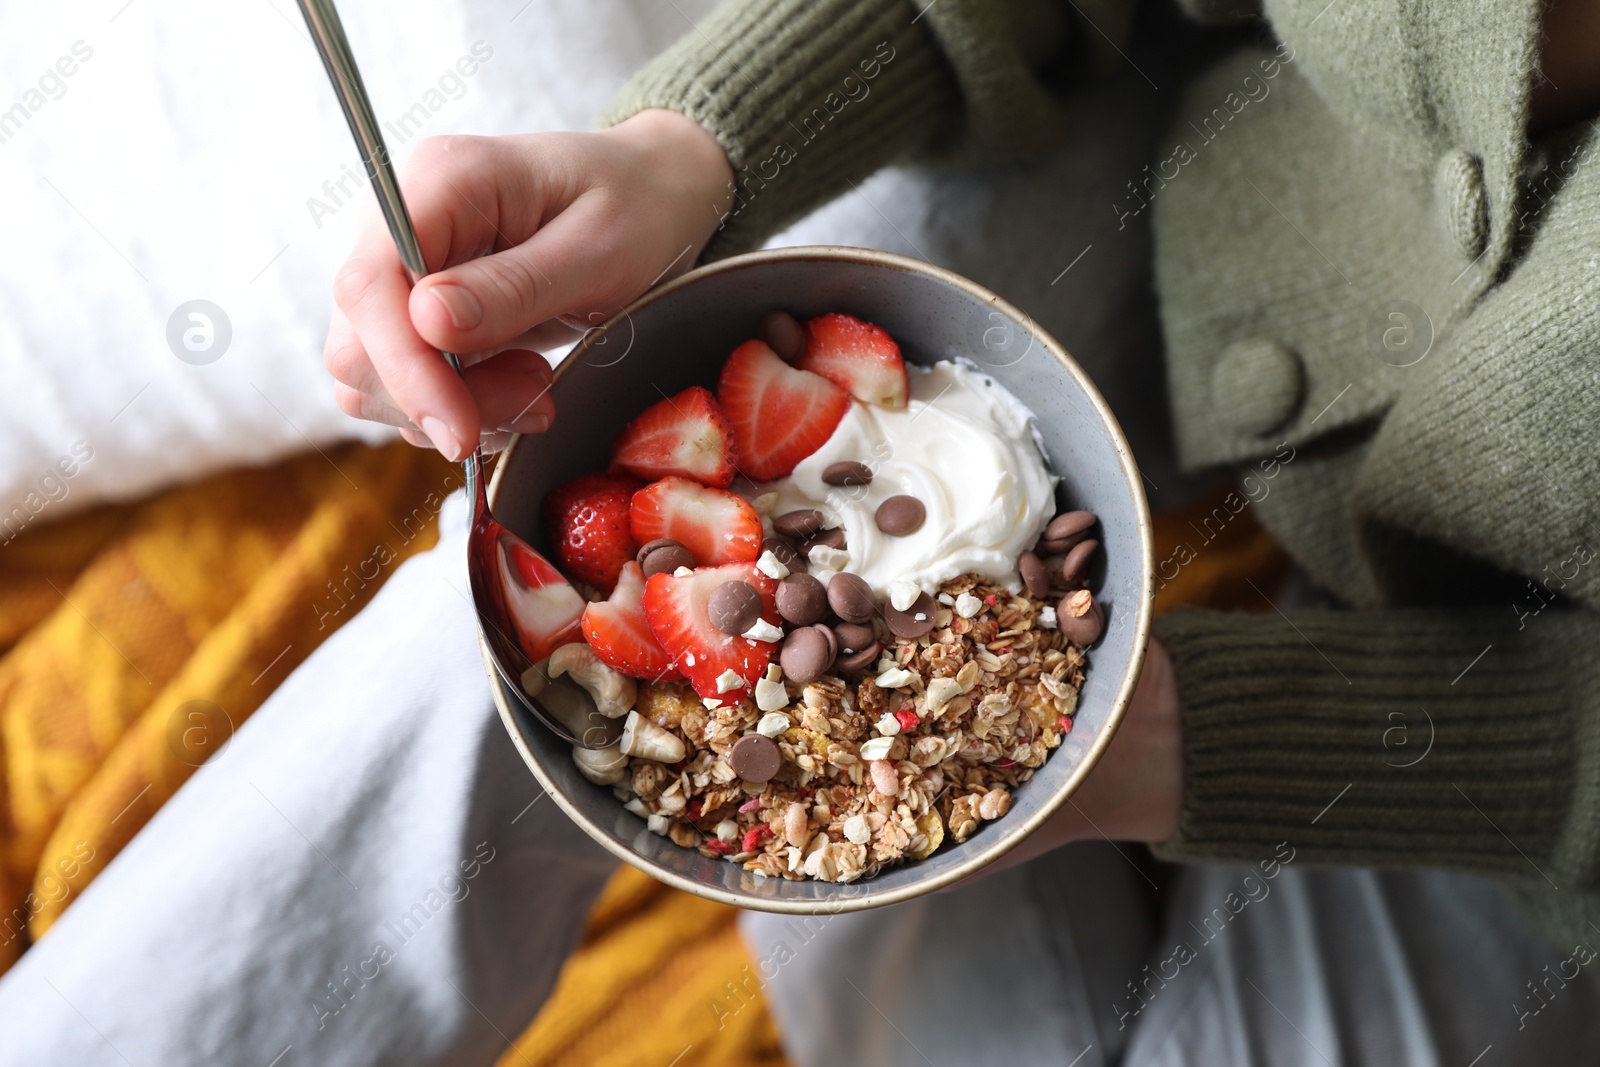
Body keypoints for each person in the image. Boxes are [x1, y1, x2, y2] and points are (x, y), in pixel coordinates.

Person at [5, 0, 1598, 1063]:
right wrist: (689, 148)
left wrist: (1203, 742)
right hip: (1207, 161)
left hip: (1538, 775)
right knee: (498, 621)